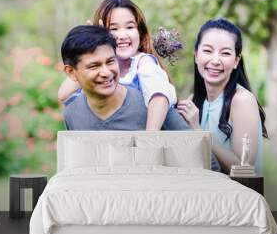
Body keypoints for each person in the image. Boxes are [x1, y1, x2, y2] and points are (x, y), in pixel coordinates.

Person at [60, 24, 221, 172]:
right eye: (94, 66)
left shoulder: (150, 106)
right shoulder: (73, 114)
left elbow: (207, 162)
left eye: (110, 61)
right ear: (71, 72)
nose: (106, 72)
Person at [58, 0, 176, 130]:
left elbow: (159, 97)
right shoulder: (103, 69)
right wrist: (92, 44)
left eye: (130, 27)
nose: (122, 35)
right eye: (113, 29)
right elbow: (63, 94)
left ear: (140, 32)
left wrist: (148, 139)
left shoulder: (144, 63)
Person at [177, 18, 268, 175]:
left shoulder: (242, 101)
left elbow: (244, 168)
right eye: (207, 51)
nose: (215, 60)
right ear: (196, 55)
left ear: (236, 61)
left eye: (225, 53)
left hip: (239, 197)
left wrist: (200, 134)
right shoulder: (194, 101)